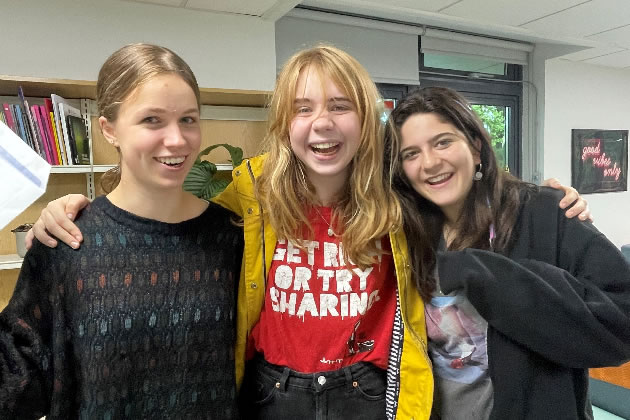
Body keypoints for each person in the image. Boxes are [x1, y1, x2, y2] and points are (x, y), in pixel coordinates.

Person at [26, 46, 592, 419]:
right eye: (303, 109)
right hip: (273, 395)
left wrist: (542, 201)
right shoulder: (248, 198)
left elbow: (466, 191)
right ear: (284, 126)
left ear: (366, 121)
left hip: (368, 396)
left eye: (340, 106)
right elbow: (166, 223)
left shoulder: (402, 200)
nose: (321, 122)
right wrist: (76, 214)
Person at [0, 43, 243, 419]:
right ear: (109, 129)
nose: (177, 139)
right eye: (152, 120)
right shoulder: (67, 243)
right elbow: (17, 380)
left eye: (189, 119)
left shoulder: (233, 238)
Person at [383, 86, 630, 420]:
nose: (429, 162)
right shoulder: (405, 236)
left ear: (475, 147)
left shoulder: (545, 212)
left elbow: (621, 321)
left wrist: (482, 271)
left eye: (443, 142)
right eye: (410, 154)